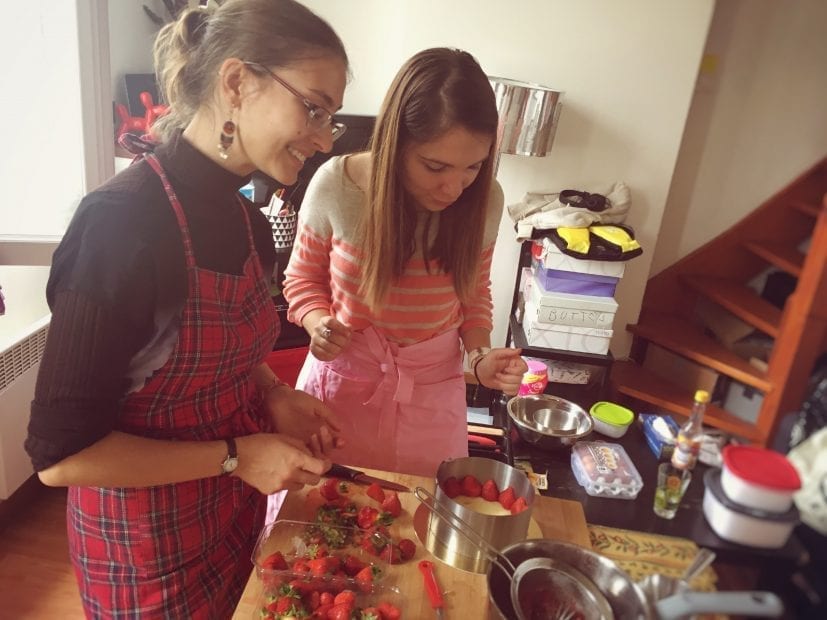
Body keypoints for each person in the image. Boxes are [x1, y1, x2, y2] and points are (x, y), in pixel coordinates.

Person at [23, 1, 348, 616]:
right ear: (235, 83)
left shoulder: (247, 220)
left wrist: (272, 396)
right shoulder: (121, 225)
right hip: (143, 553)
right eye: (313, 107)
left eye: (330, 117)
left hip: (232, 516)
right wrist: (237, 455)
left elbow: (221, 352)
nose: (324, 138)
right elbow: (61, 457)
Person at [282, 47, 528, 477]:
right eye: (435, 166)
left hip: (431, 394)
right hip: (343, 387)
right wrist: (318, 322)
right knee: (325, 516)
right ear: (396, 143)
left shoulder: (485, 201)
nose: (454, 188)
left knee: (420, 524)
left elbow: (473, 294)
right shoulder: (338, 187)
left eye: (472, 167)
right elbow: (302, 279)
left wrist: (481, 356)